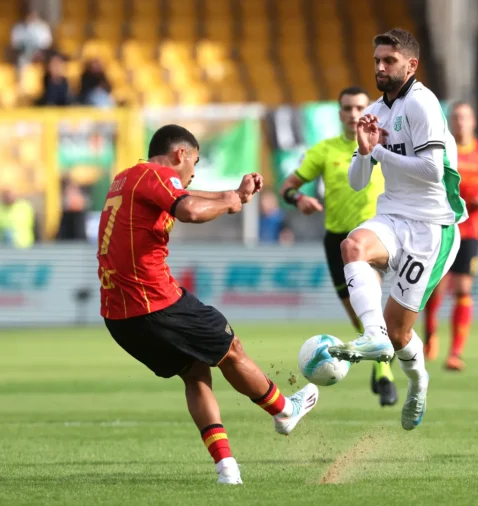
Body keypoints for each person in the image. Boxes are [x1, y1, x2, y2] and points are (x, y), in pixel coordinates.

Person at [97, 125, 318, 485]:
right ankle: (284, 410)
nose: (192, 173)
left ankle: (227, 468)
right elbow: (190, 211)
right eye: (194, 163)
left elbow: (185, 193)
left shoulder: (128, 179)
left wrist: (234, 194)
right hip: (154, 302)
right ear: (180, 154)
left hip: (120, 318)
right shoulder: (155, 174)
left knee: (196, 371)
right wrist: (230, 204)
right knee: (231, 348)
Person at [326, 28, 466, 431]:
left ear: (411, 64)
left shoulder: (423, 105)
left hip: (432, 228)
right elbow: (357, 181)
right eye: (376, 61)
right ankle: (372, 335)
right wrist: (365, 151)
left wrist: (382, 151)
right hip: (393, 216)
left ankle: (419, 381)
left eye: (389, 61)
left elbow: (431, 170)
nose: (381, 68)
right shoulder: (376, 110)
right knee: (352, 246)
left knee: (401, 334)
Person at [279, 86, 398, 406]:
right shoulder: (324, 151)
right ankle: (382, 358)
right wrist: (300, 198)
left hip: (376, 233)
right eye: (347, 108)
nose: (353, 113)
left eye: (359, 106)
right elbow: (287, 187)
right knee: (359, 316)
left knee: (374, 311)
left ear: (368, 109)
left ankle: (385, 374)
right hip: (337, 241)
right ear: (339, 113)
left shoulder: (383, 143)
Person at [422, 102, 478, 371]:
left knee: (464, 289)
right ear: (450, 122)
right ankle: (430, 335)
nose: (460, 122)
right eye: (455, 118)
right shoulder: (440, 149)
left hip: (471, 230)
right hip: (443, 226)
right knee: (436, 288)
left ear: (473, 122)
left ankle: (455, 352)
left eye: (464, 117)